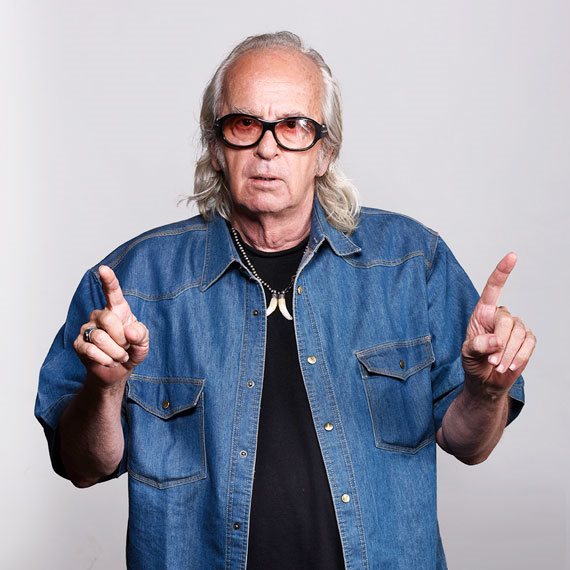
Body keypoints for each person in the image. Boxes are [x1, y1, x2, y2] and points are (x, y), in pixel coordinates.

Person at [35, 31, 536, 569]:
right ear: (216, 146)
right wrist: (104, 389)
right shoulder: (132, 285)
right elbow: (81, 467)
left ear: (325, 151)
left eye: (294, 126)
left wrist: (487, 392)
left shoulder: (413, 264)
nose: (268, 148)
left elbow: (469, 445)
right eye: (244, 124)